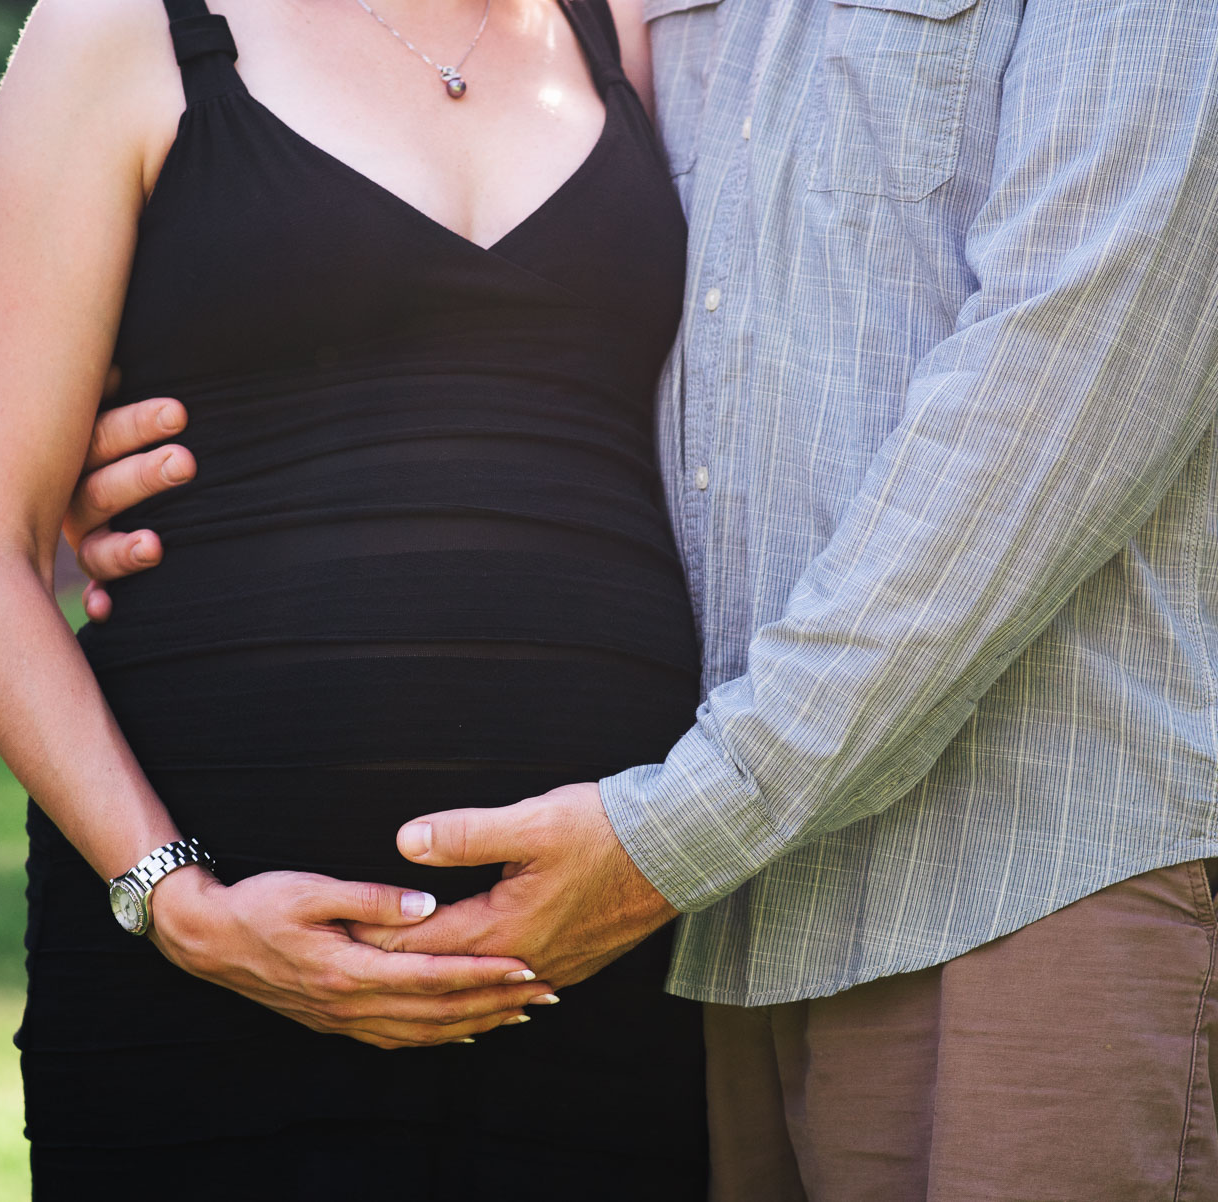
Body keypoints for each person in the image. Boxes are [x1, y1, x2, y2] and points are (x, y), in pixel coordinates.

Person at [75, 1, 1218, 1197]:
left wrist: (680, 829)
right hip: (743, 925)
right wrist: (196, 391)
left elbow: (1072, 374)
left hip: (1020, 868)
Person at [0, 0, 710, 1195]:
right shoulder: (121, 33)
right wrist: (175, 901)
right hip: (205, 984)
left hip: (600, 953)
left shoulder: (630, 33)